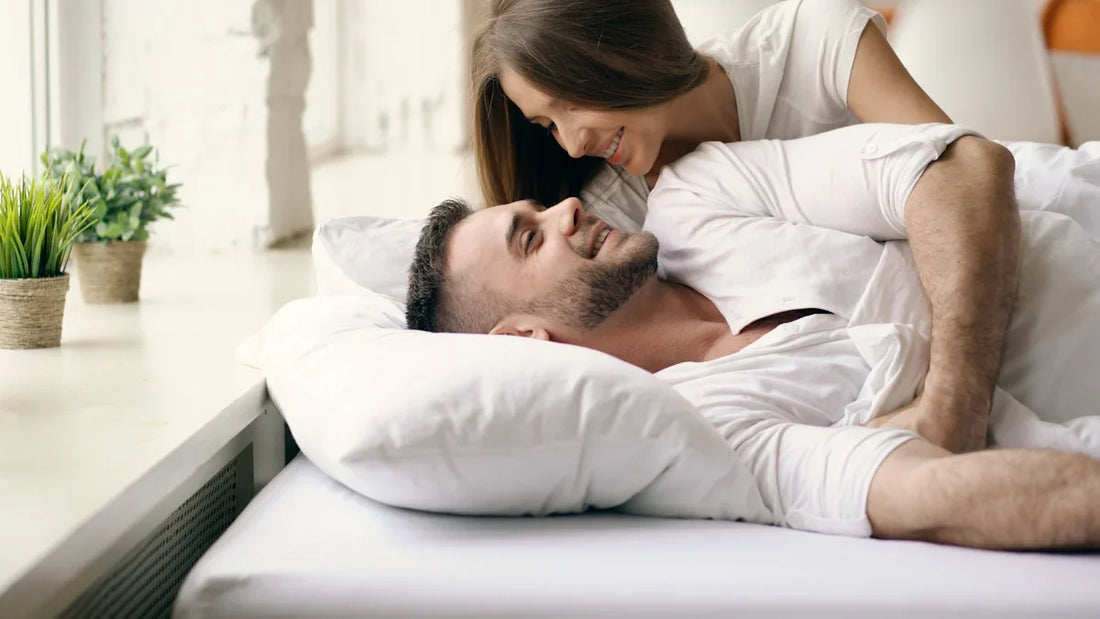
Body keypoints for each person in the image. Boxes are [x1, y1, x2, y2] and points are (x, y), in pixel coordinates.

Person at [404, 122, 1100, 550]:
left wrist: (951, 404)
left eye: (542, 205)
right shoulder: (704, 428)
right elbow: (926, 493)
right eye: (530, 238)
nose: (567, 208)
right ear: (525, 338)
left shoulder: (699, 193)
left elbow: (965, 168)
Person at [472, 0, 1025, 456]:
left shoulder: (815, 45)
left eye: (568, 105)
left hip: (982, 315)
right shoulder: (609, 213)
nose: (571, 144)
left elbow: (958, 177)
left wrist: (950, 404)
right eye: (548, 126)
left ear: (624, 43)